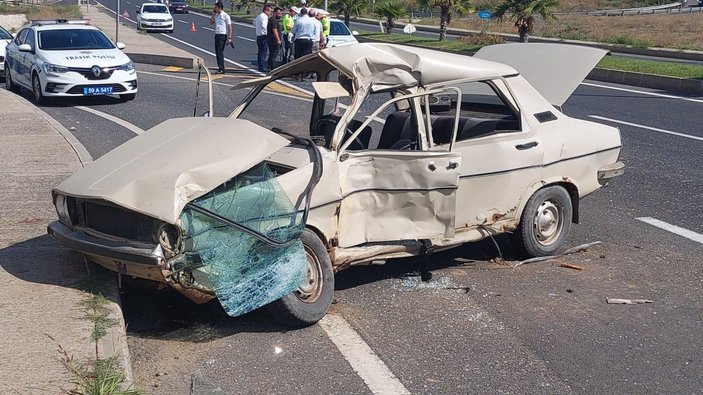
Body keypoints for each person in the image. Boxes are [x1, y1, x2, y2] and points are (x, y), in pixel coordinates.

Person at [209, 1, 232, 74]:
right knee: (217, 52)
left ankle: (222, 68)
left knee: (219, 52)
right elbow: (211, 22)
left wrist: (229, 37)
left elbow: (229, 27)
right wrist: (212, 15)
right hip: (217, 35)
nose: (214, 9)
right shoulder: (216, 15)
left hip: (222, 35)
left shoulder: (225, 16)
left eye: (215, 8)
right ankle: (220, 67)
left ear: (219, 8)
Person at [253, 4, 272, 72]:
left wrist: (258, 29)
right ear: (266, 10)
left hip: (259, 36)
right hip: (264, 36)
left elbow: (254, 22)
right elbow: (264, 26)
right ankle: (262, 67)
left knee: (260, 52)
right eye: (270, 11)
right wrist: (267, 33)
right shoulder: (264, 17)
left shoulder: (259, 16)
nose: (270, 13)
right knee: (263, 52)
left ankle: (260, 66)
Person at [267, 7, 283, 71]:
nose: (280, 15)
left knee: (271, 54)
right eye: (279, 13)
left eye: (281, 14)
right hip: (274, 41)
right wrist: (278, 40)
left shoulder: (272, 20)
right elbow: (274, 30)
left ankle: (269, 67)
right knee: (274, 55)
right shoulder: (273, 20)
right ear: (274, 13)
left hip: (272, 40)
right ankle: (273, 68)